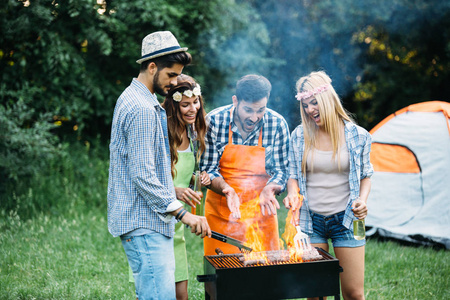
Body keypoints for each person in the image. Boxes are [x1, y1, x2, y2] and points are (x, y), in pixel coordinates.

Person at [107, 31, 211, 300]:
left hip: (151, 222)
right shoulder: (141, 108)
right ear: (152, 67)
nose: (175, 82)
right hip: (145, 223)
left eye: (178, 75)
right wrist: (184, 214)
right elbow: (143, 175)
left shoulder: (141, 100)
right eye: (171, 75)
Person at [283, 71, 373, 300]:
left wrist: (362, 200)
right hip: (310, 221)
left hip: (347, 220)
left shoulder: (358, 136)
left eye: (314, 102)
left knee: (353, 293)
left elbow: (366, 175)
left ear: (328, 98)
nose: (310, 109)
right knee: (315, 293)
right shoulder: (300, 136)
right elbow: (292, 175)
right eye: (305, 105)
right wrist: (292, 194)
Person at [127, 74, 210, 300]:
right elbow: (146, 178)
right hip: (154, 221)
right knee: (155, 293)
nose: (192, 109)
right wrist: (176, 191)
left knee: (181, 295)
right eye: (185, 104)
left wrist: (198, 179)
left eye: (195, 102)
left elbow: (182, 172)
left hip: (177, 223)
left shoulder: (192, 133)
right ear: (173, 105)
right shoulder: (161, 132)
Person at [200, 74, 290, 255]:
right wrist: (227, 189)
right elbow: (208, 169)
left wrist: (271, 188)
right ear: (235, 101)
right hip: (221, 215)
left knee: (266, 277)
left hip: (261, 216)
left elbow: (282, 170)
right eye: (248, 110)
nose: (255, 117)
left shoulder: (277, 124)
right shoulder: (214, 121)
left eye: (260, 110)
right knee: (219, 277)